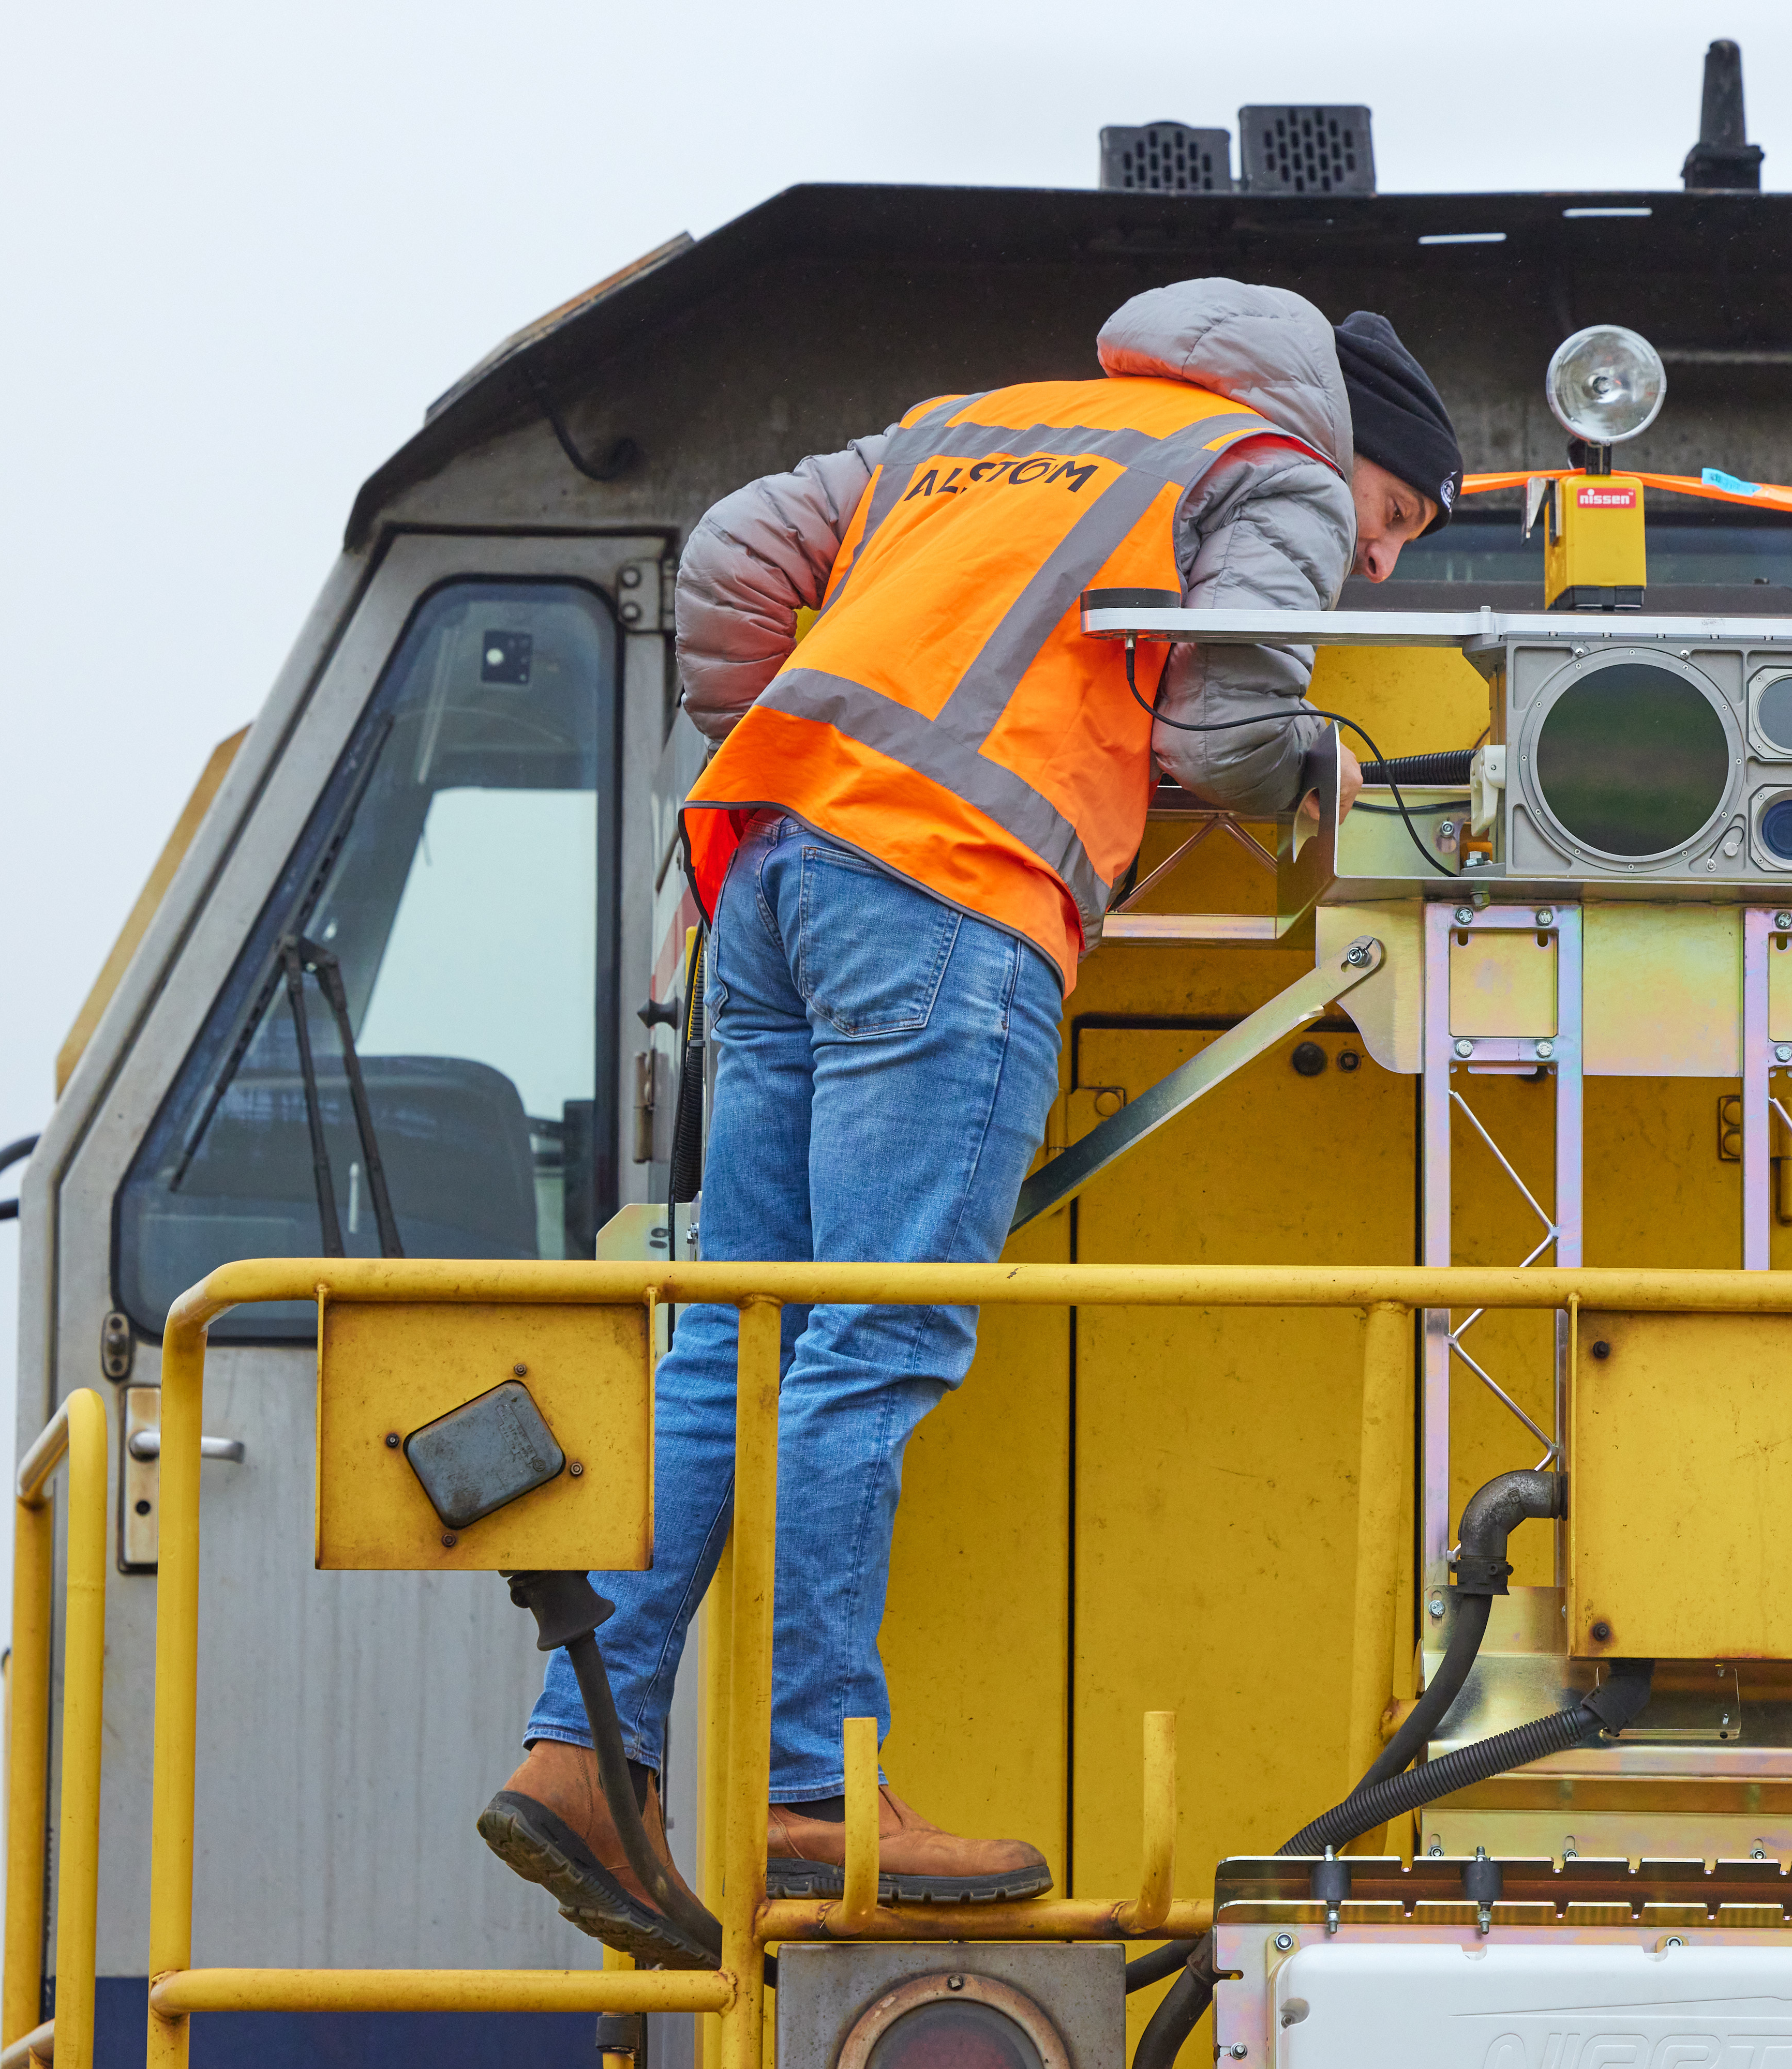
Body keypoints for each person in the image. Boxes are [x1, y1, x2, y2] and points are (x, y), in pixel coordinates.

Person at [476, 278, 1462, 1964]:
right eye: (1396, 519)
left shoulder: (976, 428)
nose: (1376, 559)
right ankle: (815, 1793)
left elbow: (731, 559)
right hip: (951, 897)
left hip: (766, 871)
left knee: (737, 1338)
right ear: (1344, 444)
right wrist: (1310, 762)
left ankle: (584, 1758)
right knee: (872, 1343)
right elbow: (1226, 731)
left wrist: (822, 767)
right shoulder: (1270, 470)